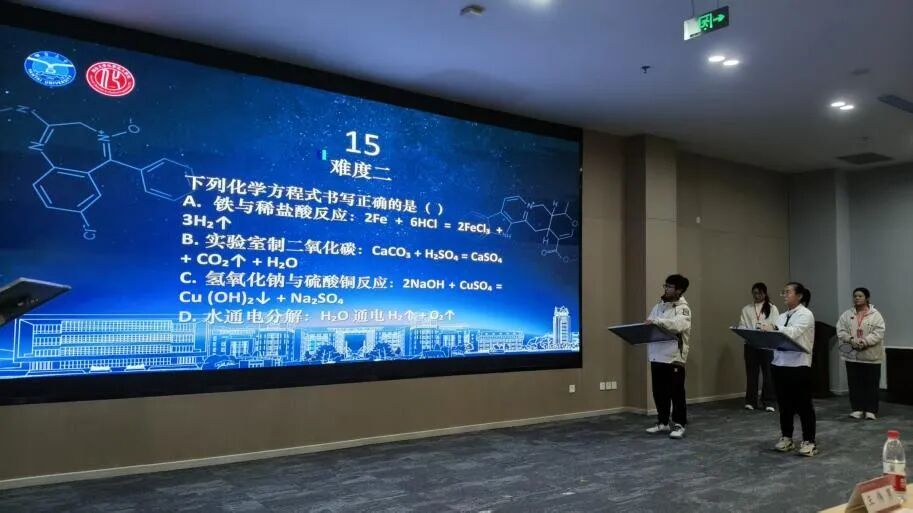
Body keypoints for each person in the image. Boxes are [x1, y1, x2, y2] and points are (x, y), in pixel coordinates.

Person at [761, 282, 817, 456]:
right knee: (784, 405)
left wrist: (774, 328)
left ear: (799, 296)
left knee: (803, 405)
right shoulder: (782, 316)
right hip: (779, 364)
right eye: (783, 292)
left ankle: (809, 441)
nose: (784, 295)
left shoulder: (806, 314)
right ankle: (787, 437)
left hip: (798, 365)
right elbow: (776, 337)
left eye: (788, 292)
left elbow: (793, 332)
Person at [644, 274, 692, 440]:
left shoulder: (683, 308)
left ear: (679, 290)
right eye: (665, 285)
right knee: (659, 392)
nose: (666, 289)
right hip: (657, 355)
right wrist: (652, 322)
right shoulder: (658, 306)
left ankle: (679, 424)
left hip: (674, 357)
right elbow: (650, 322)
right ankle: (663, 422)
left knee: (676, 393)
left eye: (669, 286)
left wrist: (658, 322)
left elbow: (678, 325)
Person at [836, 287, 886, 420]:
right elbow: (840, 330)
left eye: (860, 296)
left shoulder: (875, 315)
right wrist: (851, 339)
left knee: (871, 384)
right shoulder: (847, 314)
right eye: (855, 296)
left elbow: (879, 332)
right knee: (854, 383)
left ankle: (871, 410)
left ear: (867, 298)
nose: (857, 298)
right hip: (852, 355)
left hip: (871, 355)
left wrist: (865, 341)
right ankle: (857, 409)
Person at [738, 282, 780, 412]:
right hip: (751, 345)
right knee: (751, 374)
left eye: (759, 293)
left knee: (768, 374)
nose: (756, 296)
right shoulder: (746, 309)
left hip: (767, 345)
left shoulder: (772, 308)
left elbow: (776, 325)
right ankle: (751, 401)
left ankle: (768, 401)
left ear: (764, 294)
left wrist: (765, 328)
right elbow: (742, 325)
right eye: (754, 293)